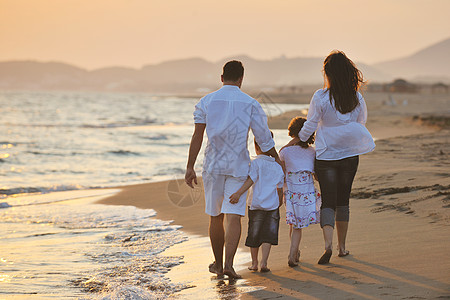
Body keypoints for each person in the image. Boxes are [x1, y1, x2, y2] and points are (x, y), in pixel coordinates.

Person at [185, 60, 281, 279]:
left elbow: (198, 135)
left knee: (215, 216)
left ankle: (218, 265)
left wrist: (190, 166)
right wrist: (277, 160)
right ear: (241, 79)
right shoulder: (250, 103)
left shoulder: (206, 101)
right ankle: (229, 264)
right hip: (238, 167)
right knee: (234, 216)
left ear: (221, 78)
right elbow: (264, 138)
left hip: (213, 166)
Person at [285, 51, 375, 264]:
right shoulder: (356, 97)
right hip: (350, 154)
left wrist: (298, 141)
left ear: (328, 73)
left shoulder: (320, 96)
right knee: (343, 200)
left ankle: (327, 245)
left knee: (328, 201)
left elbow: (311, 123)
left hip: (326, 155)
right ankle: (341, 247)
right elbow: (361, 122)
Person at [229, 133, 284, 273]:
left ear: (256, 146)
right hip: (272, 205)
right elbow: (279, 188)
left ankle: (254, 263)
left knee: (254, 233)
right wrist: (279, 201)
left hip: (256, 204)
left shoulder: (255, 163)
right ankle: (264, 263)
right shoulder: (277, 167)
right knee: (268, 234)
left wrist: (238, 193)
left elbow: (251, 180)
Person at [279, 117, 321, 267]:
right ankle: (293, 254)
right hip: (306, 190)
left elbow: (281, 173)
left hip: (290, 191)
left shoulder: (285, 151)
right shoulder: (312, 152)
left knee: (295, 224)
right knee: (296, 225)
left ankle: (293, 253)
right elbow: (316, 175)